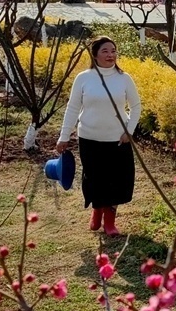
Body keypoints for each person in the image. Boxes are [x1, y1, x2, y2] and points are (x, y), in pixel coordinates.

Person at [56, 36, 141, 236]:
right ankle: (97, 210)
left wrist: (129, 130)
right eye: (105, 51)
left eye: (113, 50)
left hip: (117, 139)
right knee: (94, 178)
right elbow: (73, 107)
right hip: (89, 138)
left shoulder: (124, 78)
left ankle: (110, 221)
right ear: (95, 54)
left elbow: (136, 106)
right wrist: (64, 135)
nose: (110, 55)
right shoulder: (84, 78)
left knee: (116, 180)